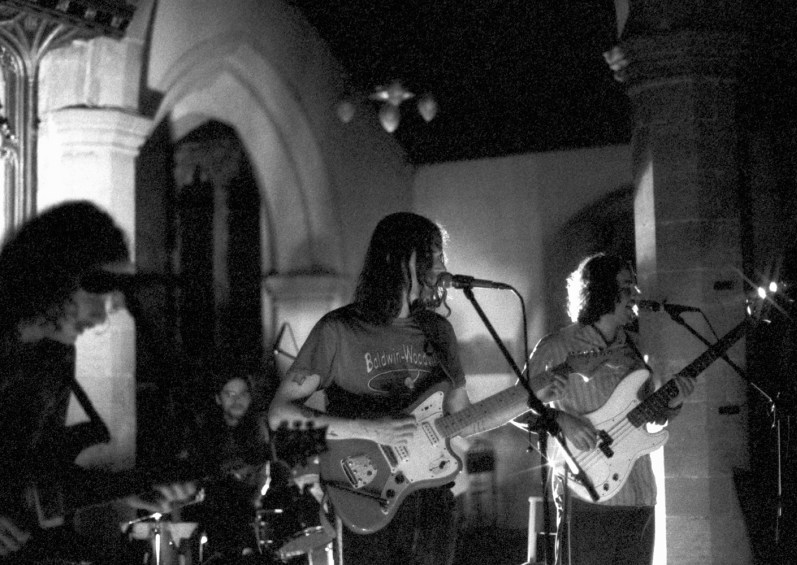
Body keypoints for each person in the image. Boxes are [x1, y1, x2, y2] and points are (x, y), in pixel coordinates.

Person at [267, 212, 568, 565]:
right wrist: (368, 429)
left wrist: (534, 395)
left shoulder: (438, 332)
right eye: (433, 256)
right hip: (364, 493)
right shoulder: (339, 329)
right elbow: (279, 414)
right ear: (399, 258)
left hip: (432, 500)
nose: (443, 266)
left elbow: (464, 419)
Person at [0, 201, 196, 561]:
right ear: (54, 275)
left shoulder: (55, 356)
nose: (102, 315)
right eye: (98, 290)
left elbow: (39, 472)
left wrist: (129, 489)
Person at [526, 253, 696, 565]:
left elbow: (648, 418)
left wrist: (672, 404)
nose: (636, 295)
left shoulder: (635, 347)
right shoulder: (556, 347)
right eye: (627, 287)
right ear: (602, 291)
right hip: (587, 495)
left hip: (639, 495)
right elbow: (518, 408)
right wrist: (561, 419)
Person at [183, 363, 271, 561]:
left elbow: (265, 470)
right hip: (217, 514)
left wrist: (256, 494)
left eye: (242, 394)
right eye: (230, 394)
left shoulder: (259, 429)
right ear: (218, 399)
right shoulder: (204, 434)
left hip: (254, 509)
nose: (236, 400)